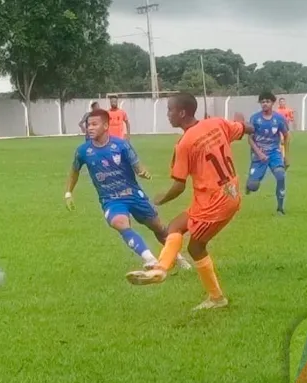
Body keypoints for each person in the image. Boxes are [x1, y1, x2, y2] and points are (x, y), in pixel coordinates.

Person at [125, 93, 254, 311]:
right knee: (176, 226)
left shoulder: (185, 143)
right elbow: (245, 128)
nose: (168, 115)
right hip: (227, 194)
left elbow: (179, 185)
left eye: (170, 110)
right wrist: (246, 124)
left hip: (216, 202)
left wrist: (162, 199)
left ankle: (216, 298)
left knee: (196, 247)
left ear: (182, 112)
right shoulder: (217, 123)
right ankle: (161, 268)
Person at [65, 109, 191, 270]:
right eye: (88, 124)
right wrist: (68, 193)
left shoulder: (121, 145)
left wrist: (142, 171)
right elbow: (74, 171)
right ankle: (150, 259)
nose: (90, 128)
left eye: (94, 124)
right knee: (120, 222)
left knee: (158, 228)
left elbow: (137, 165)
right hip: (110, 199)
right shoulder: (83, 151)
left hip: (134, 195)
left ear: (105, 126)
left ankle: (177, 257)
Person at [246, 91, 290, 215]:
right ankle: (250, 183)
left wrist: (286, 156)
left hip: (274, 153)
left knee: (281, 176)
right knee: (253, 186)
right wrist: (259, 153)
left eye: (267, 101)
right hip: (259, 153)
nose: (265, 104)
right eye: (263, 102)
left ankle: (280, 208)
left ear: (272, 103)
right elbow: (250, 139)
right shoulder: (255, 118)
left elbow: (286, 136)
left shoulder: (279, 119)